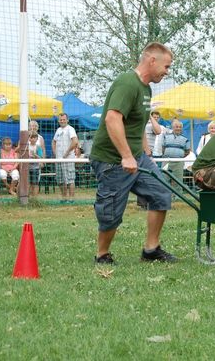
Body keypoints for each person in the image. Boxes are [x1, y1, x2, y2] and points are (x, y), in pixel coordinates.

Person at [89, 41, 175, 265]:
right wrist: (126, 156)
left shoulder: (146, 88)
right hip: (112, 159)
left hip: (138, 156)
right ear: (151, 60)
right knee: (111, 210)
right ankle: (102, 254)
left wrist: (144, 150)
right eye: (166, 67)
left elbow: (137, 123)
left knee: (161, 195)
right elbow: (112, 118)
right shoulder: (127, 83)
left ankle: (151, 249)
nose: (167, 72)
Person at [52, 113, 79, 203]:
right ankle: (64, 198)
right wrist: (55, 153)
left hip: (68, 158)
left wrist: (67, 152)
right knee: (60, 179)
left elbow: (75, 141)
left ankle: (71, 199)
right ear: (58, 120)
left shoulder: (71, 129)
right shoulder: (58, 130)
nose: (62, 121)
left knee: (70, 179)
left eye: (64, 119)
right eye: (60, 119)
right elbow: (54, 141)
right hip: (58, 159)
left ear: (67, 120)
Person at [162, 119, 191, 195]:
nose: (178, 128)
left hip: (179, 161)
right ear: (172, 127)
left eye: (179, 127)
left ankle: (178, 196)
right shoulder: (166, 137)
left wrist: (180, 155)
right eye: (176, 126)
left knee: (178, 180)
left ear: (181, 128)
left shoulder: (185, 139)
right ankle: (164, 195)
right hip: (166, 161)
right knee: (164, 178)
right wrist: (167, 154)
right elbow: (162, 148)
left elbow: (187, 151)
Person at [28, 131, 43, 197]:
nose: (33, 139)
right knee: (29, 183)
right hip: (28, 167)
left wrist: (35, 155)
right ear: (29, 138)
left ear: (37, 139)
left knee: (35, 183)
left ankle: (35, 197)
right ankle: (30, 196)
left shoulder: (38, 147)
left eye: (34, 138)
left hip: (35, 168)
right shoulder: (26, 147)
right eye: (31, 137)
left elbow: (40, 157)